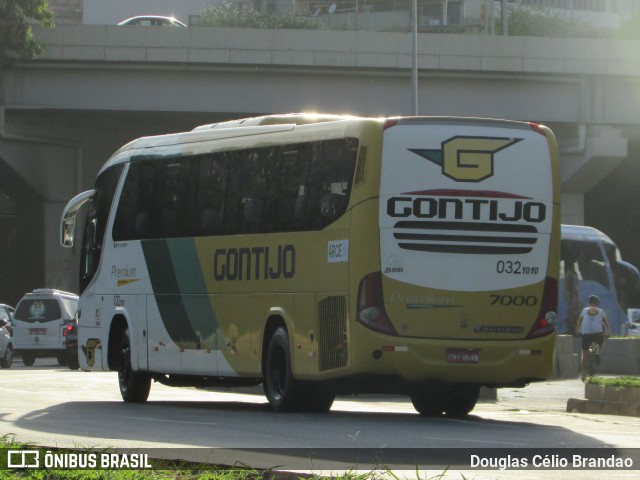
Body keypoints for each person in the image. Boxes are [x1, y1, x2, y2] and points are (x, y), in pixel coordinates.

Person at [576, 294, 611, 380]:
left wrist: (577, 330)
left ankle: (583, 372)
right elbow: (606, 323)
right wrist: (608, 332)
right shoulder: (601, 311)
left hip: (586, 334)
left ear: (589, 303)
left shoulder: (584, 310)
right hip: (597, 333)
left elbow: (579, 321)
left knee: (584, 355)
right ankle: (598, 353)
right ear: (597, 303)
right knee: (602, 342)